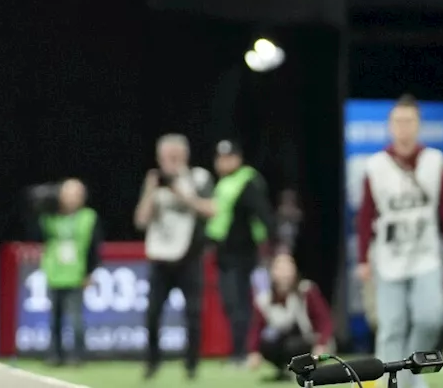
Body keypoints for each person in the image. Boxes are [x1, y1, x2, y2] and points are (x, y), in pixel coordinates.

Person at [356, 95, 443, 388]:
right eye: (398, 121)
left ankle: (411, 376)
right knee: (391, 326)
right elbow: (366, 215)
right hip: (389, 258)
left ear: (419, 125)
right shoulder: (377, 165)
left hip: (426, 255)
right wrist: (363, 258)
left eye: (409, 121)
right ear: (390, 126)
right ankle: (394, 383)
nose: (404, 127)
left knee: (430, 318)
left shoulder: (434, 161)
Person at [134, 133, 215, 380]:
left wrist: (181, 193)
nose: (169, 162)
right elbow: (140, 221)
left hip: (189, 257)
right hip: (160, 257)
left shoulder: (198, 177)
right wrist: (150, 189)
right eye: (165, 157)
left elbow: (211, 209)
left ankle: (191, 365)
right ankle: (152, 362)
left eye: (174, 157)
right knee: (152, 313)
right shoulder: (154, 181)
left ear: (184, 156)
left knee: (193, 314)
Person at [206, 139, 277, 367]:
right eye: (220, 158)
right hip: (225, 254)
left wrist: (274, 246)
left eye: (229, 157)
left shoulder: (246, 181)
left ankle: (243, 353)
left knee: (240, 304)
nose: (224, 162)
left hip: (243, 253)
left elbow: (264, 213)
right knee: (231, 303)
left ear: (238, 158)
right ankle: (238, 352)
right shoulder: (225, 183)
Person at [39, 178, 101, 367]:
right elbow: (35, 231)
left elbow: (94, 247)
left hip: (76, 275)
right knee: (54, 320)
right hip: (54, 274)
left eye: (76, 194)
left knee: (76, 320)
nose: (72, 199)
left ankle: (78, 356)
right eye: (68, 194)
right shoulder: (50, 217)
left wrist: (90, 272)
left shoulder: (88, 217)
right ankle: (54, 355)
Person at [247, 253, 333, 382]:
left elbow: (325, 321)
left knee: (293, 346)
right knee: (268, 344)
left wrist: (322, 344)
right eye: (280, 269)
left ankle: (304, 369)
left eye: (288, 269)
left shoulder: (306, 291)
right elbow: (256, 327)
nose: (284, 274)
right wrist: (253, 351)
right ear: (273, 272)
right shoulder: (264, 299)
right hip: (282, 341)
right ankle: (284, 370)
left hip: (307, 341)